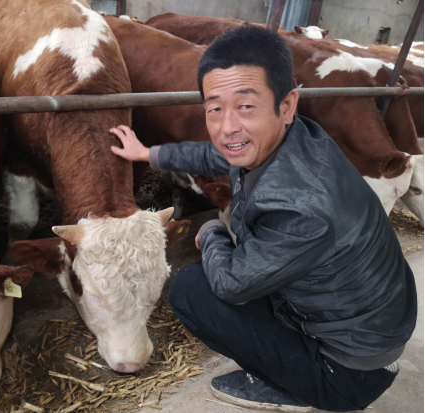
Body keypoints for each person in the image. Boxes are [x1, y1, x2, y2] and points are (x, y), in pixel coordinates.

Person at [109, 26, 417, 413]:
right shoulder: (295, 138)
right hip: (367, 327)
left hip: (347, 371)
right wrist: (147, 154)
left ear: (286, 105)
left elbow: (230, 284)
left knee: (191, 289)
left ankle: (297, 389)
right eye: (214, 108)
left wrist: (213, 231)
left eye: (246, 106)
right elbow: (213, 155)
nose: (227, 127)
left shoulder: (299, 205)